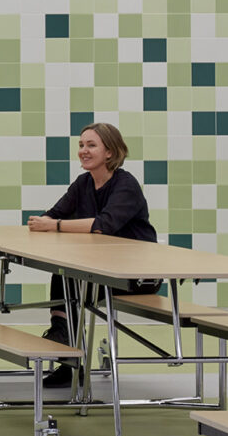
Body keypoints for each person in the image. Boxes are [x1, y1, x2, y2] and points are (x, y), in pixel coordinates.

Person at [26, 121, 159, 387]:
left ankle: (66, 345)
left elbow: (102, 225)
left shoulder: (126, 184)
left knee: (70, 281)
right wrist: (46, 222)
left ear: (110, 151)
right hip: (101, 272)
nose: (83, 150)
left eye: (91, 145)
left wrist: (55, 226)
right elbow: (53, 214)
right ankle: (67, 351)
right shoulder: (83, 183)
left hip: (136, 278)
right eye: (81, 145)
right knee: (64, 274)